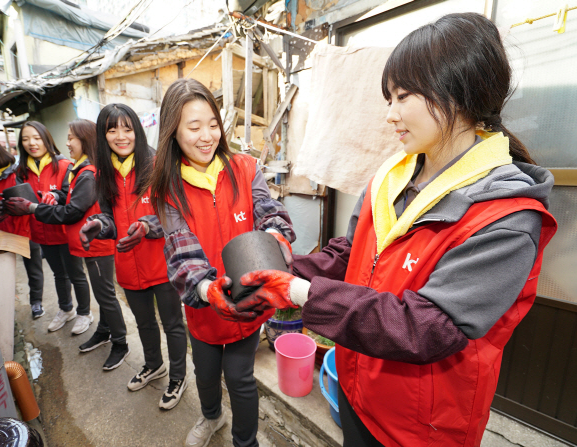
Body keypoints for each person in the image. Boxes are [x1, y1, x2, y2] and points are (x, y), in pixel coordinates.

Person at [232, 13, 558, 447]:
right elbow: (353, 252)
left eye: (402, 97)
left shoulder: (507, 217)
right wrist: (279, 269)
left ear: (457, 93)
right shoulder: (391, 176)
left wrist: (299, 293)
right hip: (355, 385)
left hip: (420, 427)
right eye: (390, 98)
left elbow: (427, 326)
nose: (390, 115)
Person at [146, 78, 295, 447]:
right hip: (204, 306)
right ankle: (212, 417)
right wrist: (206, 288)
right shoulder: (167, 189)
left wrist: (276, 241)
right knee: (206, 372)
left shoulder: (245, 168)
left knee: (241, 377)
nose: (206, 136)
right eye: (193, 127)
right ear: (173, 132)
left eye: (212, 124)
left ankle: (246, 442)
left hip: (247, 305)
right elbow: (181, 250)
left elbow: (271, 213)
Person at [78, 103, 189, 409]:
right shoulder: (103, 174)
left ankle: (178, 375)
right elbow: (109, 218)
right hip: (127, 265)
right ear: (103, 135)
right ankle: (154, 365)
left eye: (127, 128)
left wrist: (146, 226)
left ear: (137, 130)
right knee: (144, 323)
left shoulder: (157, 165)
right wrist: (99, 225)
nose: (120, 135)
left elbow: (175, 216)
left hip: (161, 262)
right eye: (112, 129)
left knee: (173, 324)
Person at [4, 120, 128, 370]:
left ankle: (121, 343)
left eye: (72, 138)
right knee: (102, 295)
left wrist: (32, 207)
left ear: (86, 140)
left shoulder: (89, 173)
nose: (68, 142)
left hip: (97, 245)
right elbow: (69, 198)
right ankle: (104, 331)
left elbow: (72, 212)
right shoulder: (78, 170)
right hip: (87, 244)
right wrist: (57, 196)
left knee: (106, 296)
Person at [4, 121, 93, 335]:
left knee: (76, 274)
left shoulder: (64, 165)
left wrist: (56, 196)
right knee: (58, 274)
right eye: (25, 139)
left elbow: (70, 199)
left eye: (36, 138)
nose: (31, 143)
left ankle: (84, 313)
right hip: (40, 231)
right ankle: (66, 309)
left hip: (64, 230)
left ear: (46, 139)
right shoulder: (21, 170)